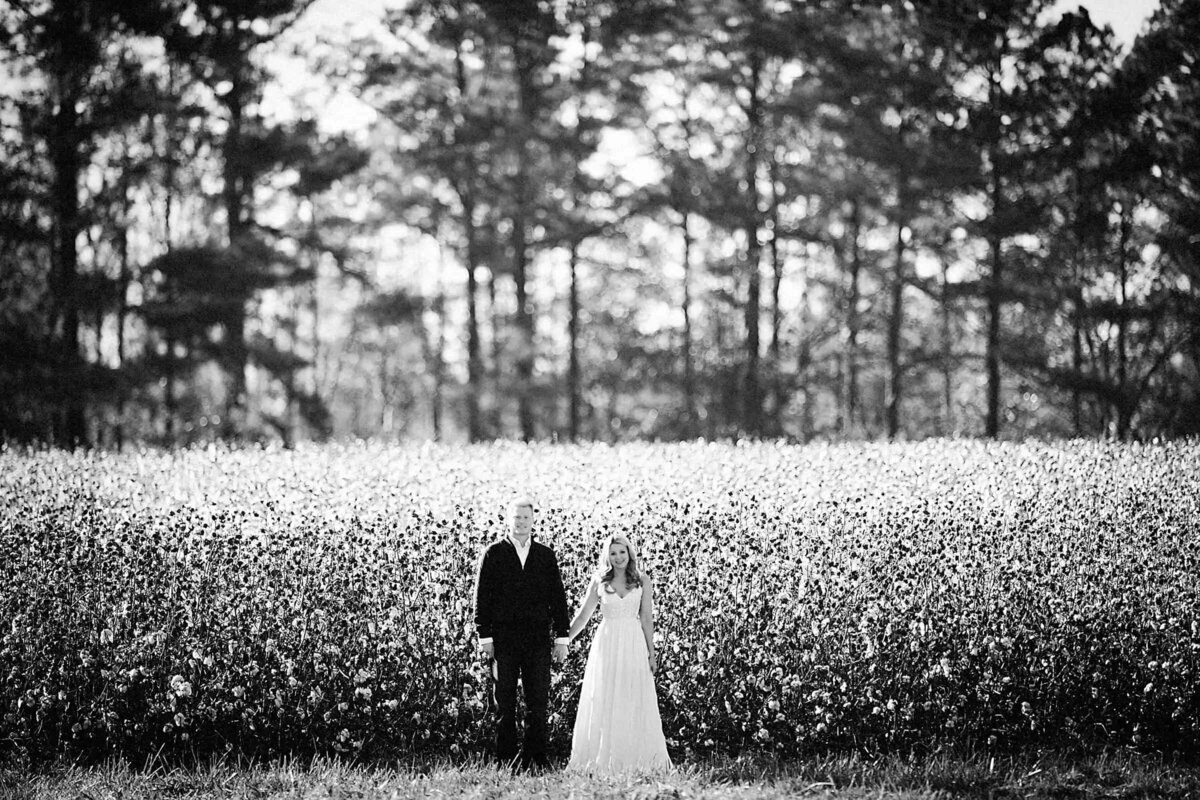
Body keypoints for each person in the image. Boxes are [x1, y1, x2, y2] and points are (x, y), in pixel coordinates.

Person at [474, 498, 570, 771]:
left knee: (537, 703)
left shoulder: (545, 555)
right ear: (508, 519)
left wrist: (561, 637)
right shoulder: (493, 553)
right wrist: (485, 636)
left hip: (538, 640)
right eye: (516, 517)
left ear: (533, 520)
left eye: (526, 518)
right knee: (504, 703)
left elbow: (558, 599)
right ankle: (506, 761)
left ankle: (536, 761)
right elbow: (481, 597)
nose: (521, 522)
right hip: (503, 641)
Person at [566, 533, 672, 773]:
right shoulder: (599, 582)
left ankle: (635, 757)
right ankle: (602, 757)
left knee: (632, 695)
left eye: (622, 552)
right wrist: (563, 641)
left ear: (629, 553)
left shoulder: (643, 580)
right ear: (607, 556)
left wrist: (651, 652)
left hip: (633, 643)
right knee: (604, 695)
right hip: (607, 642)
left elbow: (646, 618)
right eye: (613, 553)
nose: (618, 557)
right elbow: (583, 616)